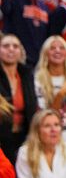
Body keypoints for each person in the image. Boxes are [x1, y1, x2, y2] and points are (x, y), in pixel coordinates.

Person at [0, 35, 38, 165]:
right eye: (5, 46)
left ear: (21, 51)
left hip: (24, 137)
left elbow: (33, 107)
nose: (11, 49)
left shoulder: (27, 75)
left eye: (15, 46)